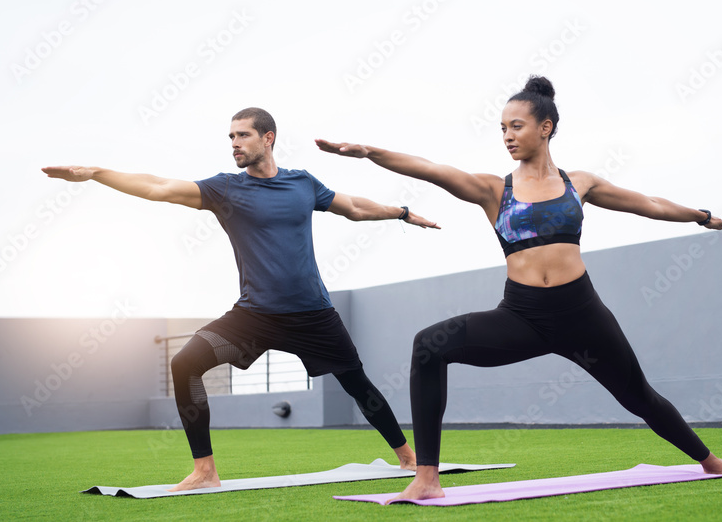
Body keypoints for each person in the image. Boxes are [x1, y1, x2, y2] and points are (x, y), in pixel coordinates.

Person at [316, 76, 722, 501]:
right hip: (522, 317)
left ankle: (709, 461)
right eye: (502, 128)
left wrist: (699, 215)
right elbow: (431, 170)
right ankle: (427, 477)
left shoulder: (580, 184)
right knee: (429, 345)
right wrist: (369, 152)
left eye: (516, 126)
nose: (507, 136)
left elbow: (648, 204)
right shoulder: (493, 189)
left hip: (583, 316)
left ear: (545, 127)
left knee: (641, 398)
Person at [43, 107, 436, 491]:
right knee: (185, 363)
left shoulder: (302, 184)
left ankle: (407, 458)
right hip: (255, 316)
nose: (234, 143)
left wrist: (400, 212)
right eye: (230, 136)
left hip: (313, 314)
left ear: (269, 138)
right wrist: (96, 174)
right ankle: (204, 470)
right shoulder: (226, 188)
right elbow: (159, 187)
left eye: (242, 134)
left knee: (356, 382)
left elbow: (353, 207)